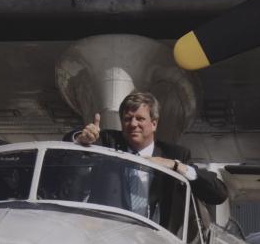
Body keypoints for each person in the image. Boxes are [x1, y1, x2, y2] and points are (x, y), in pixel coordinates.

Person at [66, 91, 227, 232]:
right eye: (127, 119)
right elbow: (68, 143)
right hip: (109, 239)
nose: (133, 124)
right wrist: (81, 138)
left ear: (154, 124)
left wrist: (176, 166)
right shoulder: (108, 142)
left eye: (140, 118)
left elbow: (218, 194)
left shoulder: (175, 154)